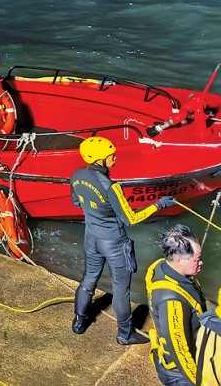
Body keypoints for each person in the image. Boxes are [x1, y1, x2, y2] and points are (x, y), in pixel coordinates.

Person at [70, 136, 173, 344]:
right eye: (111, 155)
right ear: (100, 160)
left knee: (89, 278)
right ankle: (124, 334)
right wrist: (159, 205)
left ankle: (79, 322)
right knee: (120, 289)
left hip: (91, 238)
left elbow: (76, 203)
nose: (115, 158)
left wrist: (99, 210)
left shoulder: (77, 175)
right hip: (114, 243)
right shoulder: (112, 187)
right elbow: (131, 219)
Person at [146, 225, 206, 385]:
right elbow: (179, 351)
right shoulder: (171, 300)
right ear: (179, 260)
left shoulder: (158, 266)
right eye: (196, 259)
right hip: (179, 374)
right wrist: (201, 382)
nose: (201, 263)